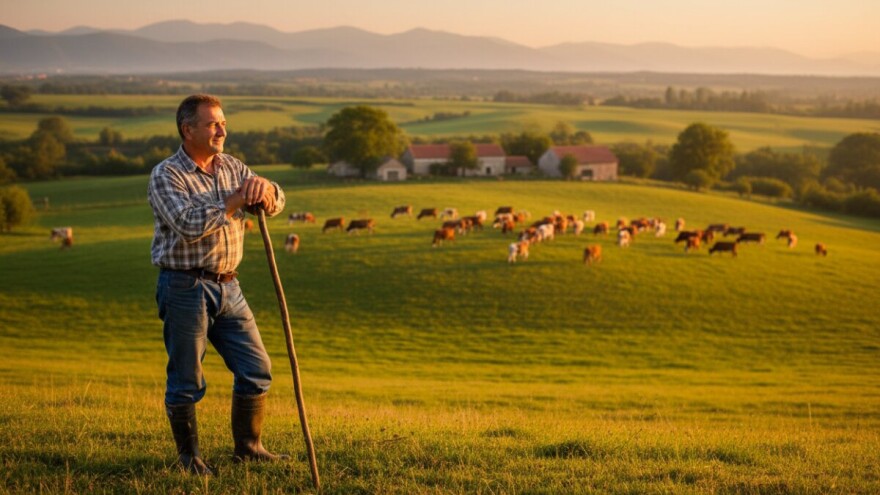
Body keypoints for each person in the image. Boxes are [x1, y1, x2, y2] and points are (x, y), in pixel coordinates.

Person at [148, 94, 287, 475]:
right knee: (186, 378)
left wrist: (265, 191)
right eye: (213, 124)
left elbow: (276, 200)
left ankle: (249, 447)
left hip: (230, 287)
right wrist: (234, 200)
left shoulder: (232, 167)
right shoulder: (167, 175)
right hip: (184, 287)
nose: (222, 130)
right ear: (187, 128)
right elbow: (188, 224)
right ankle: (189, 457)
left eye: (223, 122)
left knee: (257, 368)